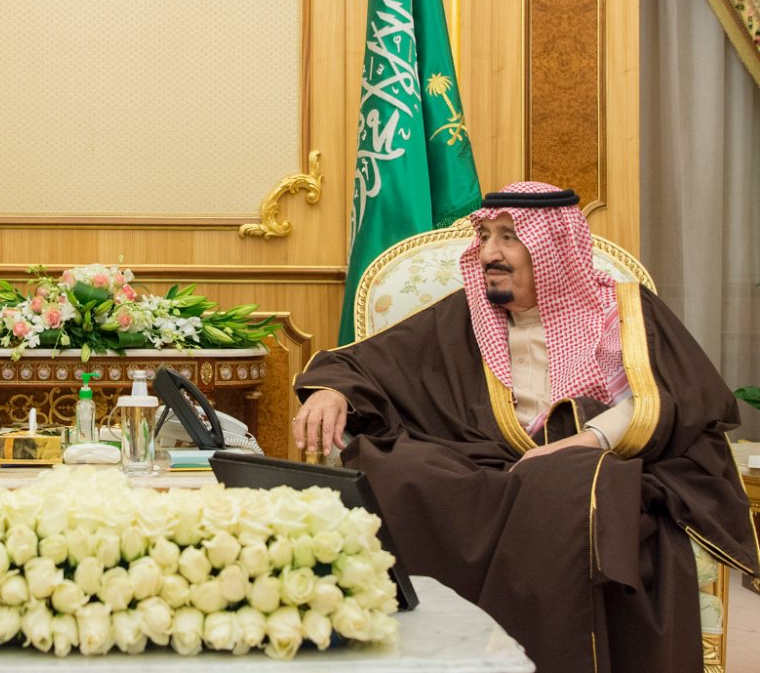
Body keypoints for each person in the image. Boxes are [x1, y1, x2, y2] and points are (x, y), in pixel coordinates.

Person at [293, 181, 759, 673]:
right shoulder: (466, 314)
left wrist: (583, 440)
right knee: (400, 469)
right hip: (487, 460)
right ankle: (434, 654)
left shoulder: (623, 310)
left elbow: (670, 396)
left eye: (509, 237)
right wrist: (332, 392)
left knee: (562, 482)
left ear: (553, 246)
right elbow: (364, 362)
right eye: (485, 236)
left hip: (594, 463)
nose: (489, 253)